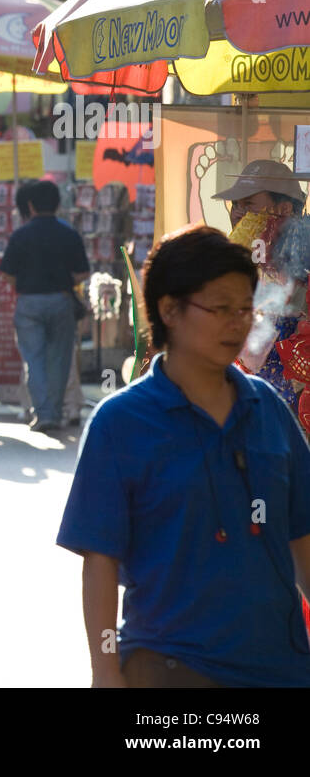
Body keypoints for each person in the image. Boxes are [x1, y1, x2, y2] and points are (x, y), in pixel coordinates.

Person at [57, 225, 310, 687]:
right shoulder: (121, 423)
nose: (236, 323)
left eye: (244, 309)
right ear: (169, 310)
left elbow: (302, 538)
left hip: (281, 666)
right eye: (219, 308)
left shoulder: (268, 408)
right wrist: (105, 671)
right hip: (169, 666)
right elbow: (99, 561)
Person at [213, 159, 309, 412]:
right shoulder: (233, 262)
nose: (237, 212)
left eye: (248, 204)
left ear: (285, 209)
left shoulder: (301, 262)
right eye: (235, 204)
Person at [0, 180, 90, 433]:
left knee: (34, 360)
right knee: (60, 360)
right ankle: (57, 411)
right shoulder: (69, 233)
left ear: (30, 205)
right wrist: (64, 279)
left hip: (28, 302)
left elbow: (6, 274)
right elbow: (83, 272)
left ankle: (43, 414)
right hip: (61, 300)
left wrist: (25, 280)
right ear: (58, 204)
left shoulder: (20, 235)